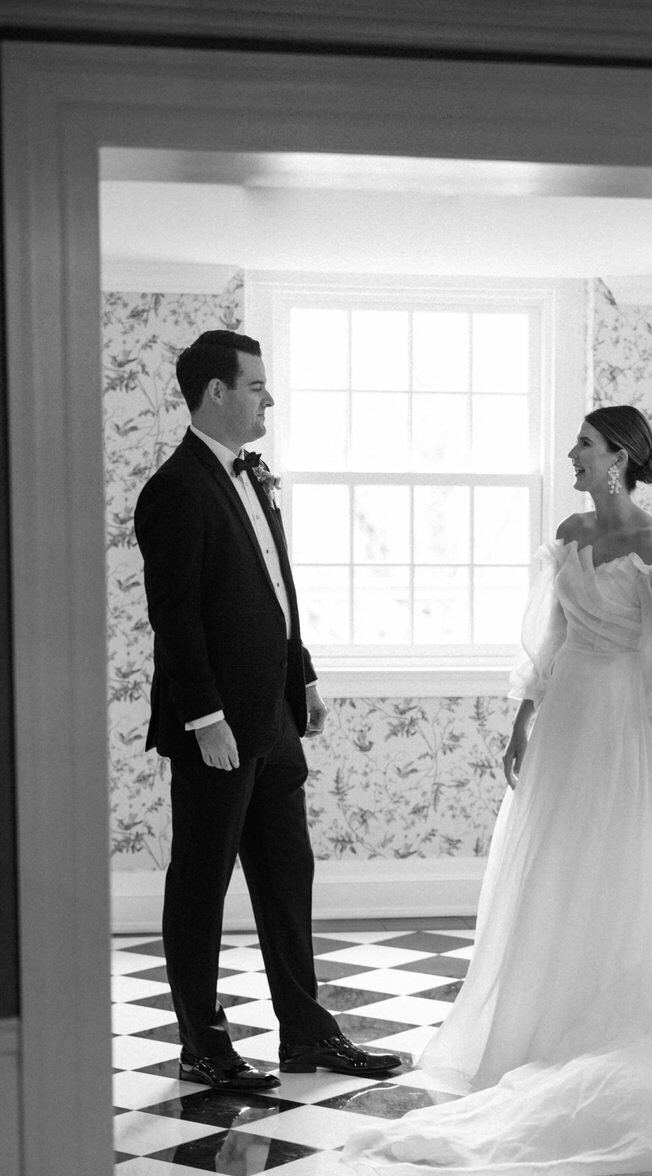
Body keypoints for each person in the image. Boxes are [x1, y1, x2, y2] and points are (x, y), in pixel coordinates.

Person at [333, 407, 652, 1176]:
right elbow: (550, 633)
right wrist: (523, 719)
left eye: (584, 446)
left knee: (614, 869)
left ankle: (591, 1030)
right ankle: (525, 1034)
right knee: (550, 867)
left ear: (618, 457)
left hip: (626, 726)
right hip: (568, 722)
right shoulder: (569, 530)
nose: (572, 457)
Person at [134, 329, 400, 1092]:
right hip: (215, 728)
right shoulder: (175, 490)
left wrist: (304, 677)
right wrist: (204, 718)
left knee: (288, 873)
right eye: (256, 387)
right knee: (201, 881)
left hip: (275, 719)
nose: (267, 400)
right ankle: (203, 1045)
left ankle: (307, 1033)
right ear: (216, 392)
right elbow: (175, 615)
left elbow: (277, 590)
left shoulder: (251, 478)